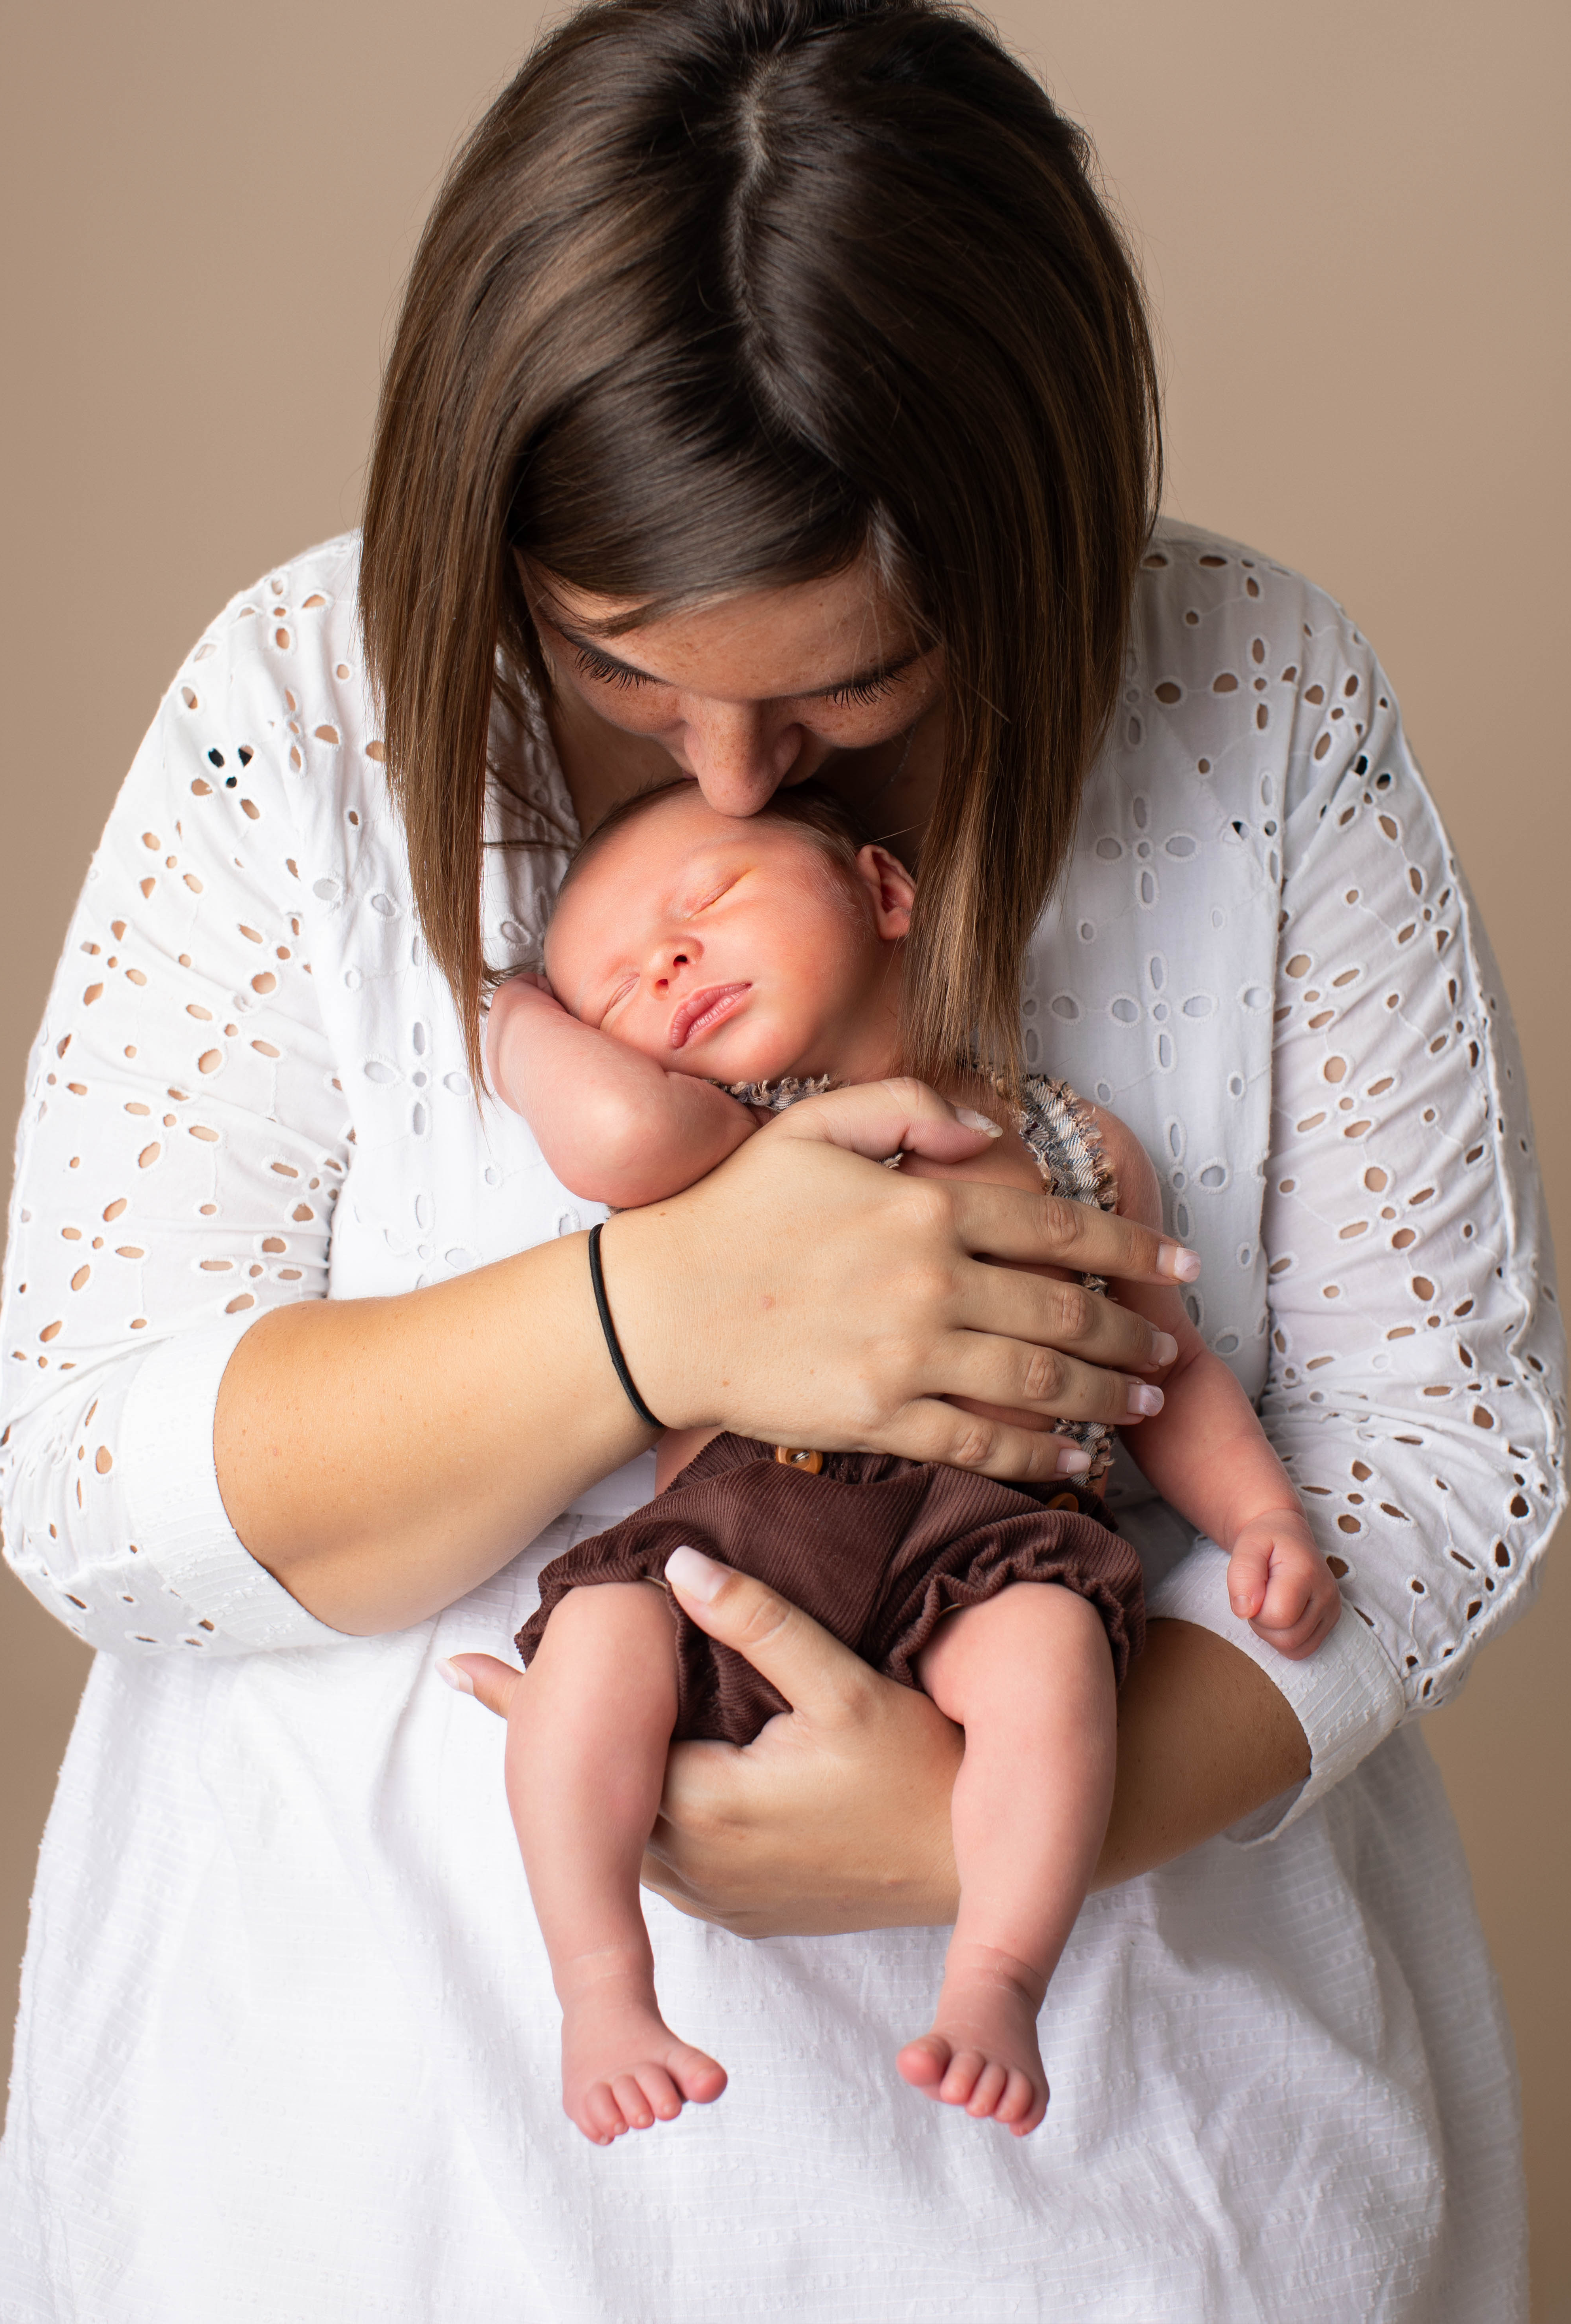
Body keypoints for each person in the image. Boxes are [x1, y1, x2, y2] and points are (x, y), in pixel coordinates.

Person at [0, 0, 1562, 2322]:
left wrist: (1007, 1828)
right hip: (381, 2172)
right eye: (617, 663)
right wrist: (651, 1320)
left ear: (1031, 555)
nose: (729, 772)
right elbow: (93, 1488)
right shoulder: (300, 714)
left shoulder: (1253, 703)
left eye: (859, 680)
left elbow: (1440, 1460)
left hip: (1128, 2187)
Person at [489, 776, 1341, 2144]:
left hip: (989, 1535)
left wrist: (1262, 1518)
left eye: (705, 900)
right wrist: (516, 1017)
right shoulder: (717, 1145)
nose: (668, 964)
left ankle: (997, 1974)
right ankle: (601, 1986)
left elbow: (1162, 1368)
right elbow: (612, 1125)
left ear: (886, 891)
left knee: (1055, 1663)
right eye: (616, 989)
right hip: (738, 1522)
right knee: (595, 1641)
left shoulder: (1068, 1146)